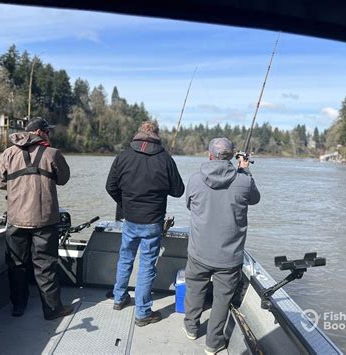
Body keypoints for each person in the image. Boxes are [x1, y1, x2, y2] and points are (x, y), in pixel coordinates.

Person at [183, 137, 260, 354]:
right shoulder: (244, 181)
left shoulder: (195, 179)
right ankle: (213, 343)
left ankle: (191, 328)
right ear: (232, 157)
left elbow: (189, 205)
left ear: (209, 155)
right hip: (229, 257)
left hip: (198, 251)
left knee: (194, 289)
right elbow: (254, 199)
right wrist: (244, 171)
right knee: (221, 300)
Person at [106, 120, 185, 327]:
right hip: (152, 221)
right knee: (147, 266)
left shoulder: (123, 156)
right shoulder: (165, 159)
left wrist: (125, 204)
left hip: (130, 219)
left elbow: (110, 186)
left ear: (138, 134)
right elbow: (178, 191)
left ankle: (119, 298)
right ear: (157, 135)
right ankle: (142, 313)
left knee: (125, 258)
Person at [0, 117, 72, 320]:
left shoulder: (8, 153)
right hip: (44, 220)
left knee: (16, 264)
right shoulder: (52, 153)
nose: (50, 135)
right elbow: (63, 179)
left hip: (16, 218)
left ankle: (18, 306)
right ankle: (52, 309)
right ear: (40, 133)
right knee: (45, 265)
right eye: (48, 132)